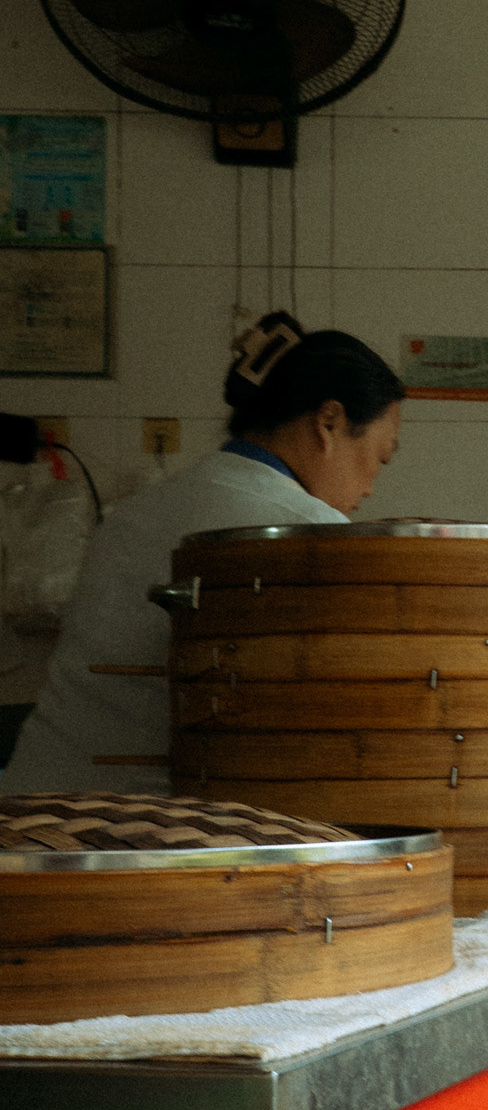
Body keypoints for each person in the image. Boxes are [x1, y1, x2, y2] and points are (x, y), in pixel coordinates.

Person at [1, 314, 403, 796]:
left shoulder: (138, 511)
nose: (370, 488)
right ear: (329, 422)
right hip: (136, 825)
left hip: (28, 798)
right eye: (378, 458)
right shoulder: (310, 536)